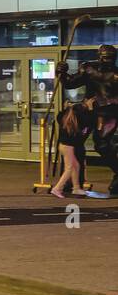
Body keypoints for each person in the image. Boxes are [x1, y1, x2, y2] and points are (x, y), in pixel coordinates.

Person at [58, 43, 118, 197]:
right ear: (99, 57)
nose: (107, 60)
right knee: (75, 144)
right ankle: (73, 182)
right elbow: (70, 83)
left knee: (102, 145)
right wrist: (62, 72)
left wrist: (63, 74)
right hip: (89, 111)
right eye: (105, 57)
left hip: (108, 113)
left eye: (110, 58)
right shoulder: (89, 68)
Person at [50, 93, 91, 199]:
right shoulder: (75, 122)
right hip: (68, 147)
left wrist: (65, 108)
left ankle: (76, 188)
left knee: (76, 166)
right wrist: (90, 109)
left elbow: (59, 116)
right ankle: (57, 188)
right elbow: (87, 121)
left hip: (64, 146)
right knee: (70, 168)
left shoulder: (66, 119)